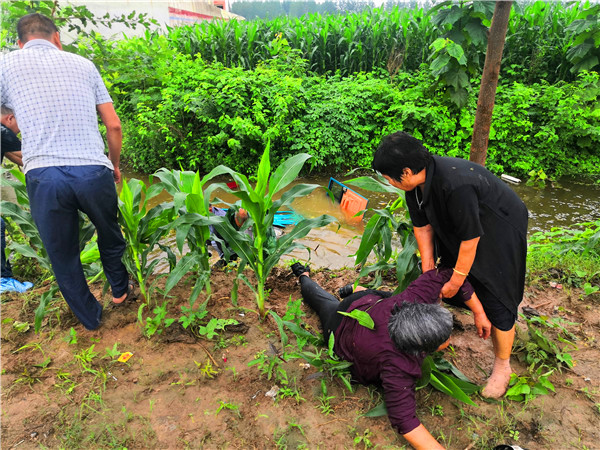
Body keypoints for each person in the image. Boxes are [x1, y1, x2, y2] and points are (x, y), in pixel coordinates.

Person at [372, 131, 528, 398]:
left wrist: (456, 281)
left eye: (388, 177)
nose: (388, 182)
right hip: (466, 228)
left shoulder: (456, 184)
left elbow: (470, 239)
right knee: (452, 273)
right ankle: (467, 317)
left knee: (497, 294)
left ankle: (503, 366)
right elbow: (423, 227)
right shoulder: (416, 186)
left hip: (499, 228)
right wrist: (428, 270)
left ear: (406, 171)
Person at [0, 13, 132, 329]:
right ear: (57, 38)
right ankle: (120, 292)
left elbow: (6, 116)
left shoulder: (5, 65)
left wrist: (14, 129)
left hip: (44, 174)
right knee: (109, 233)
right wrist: (114, 165)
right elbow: (113, 125)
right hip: (92, 170)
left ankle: (91, 318)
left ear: (19, 43)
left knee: (62, 253)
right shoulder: (84, 65)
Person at [291, 262, 489, 450]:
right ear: (421, 350)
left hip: (370, 302)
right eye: (446, 338)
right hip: (342, 325)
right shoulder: (398, 366)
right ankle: (303, 275)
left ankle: (358, 289)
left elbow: (449, 274)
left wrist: (479, 312)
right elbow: (406, 422)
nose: (450, 340)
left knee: (390, 296)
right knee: (323, 303)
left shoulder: (413, 297)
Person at [1, 106, 33, 293]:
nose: (19, 131)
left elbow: (12, 155)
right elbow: (28, 155)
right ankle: (3, 279)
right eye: (20, 125)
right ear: (10, 118)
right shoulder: (3, 132)